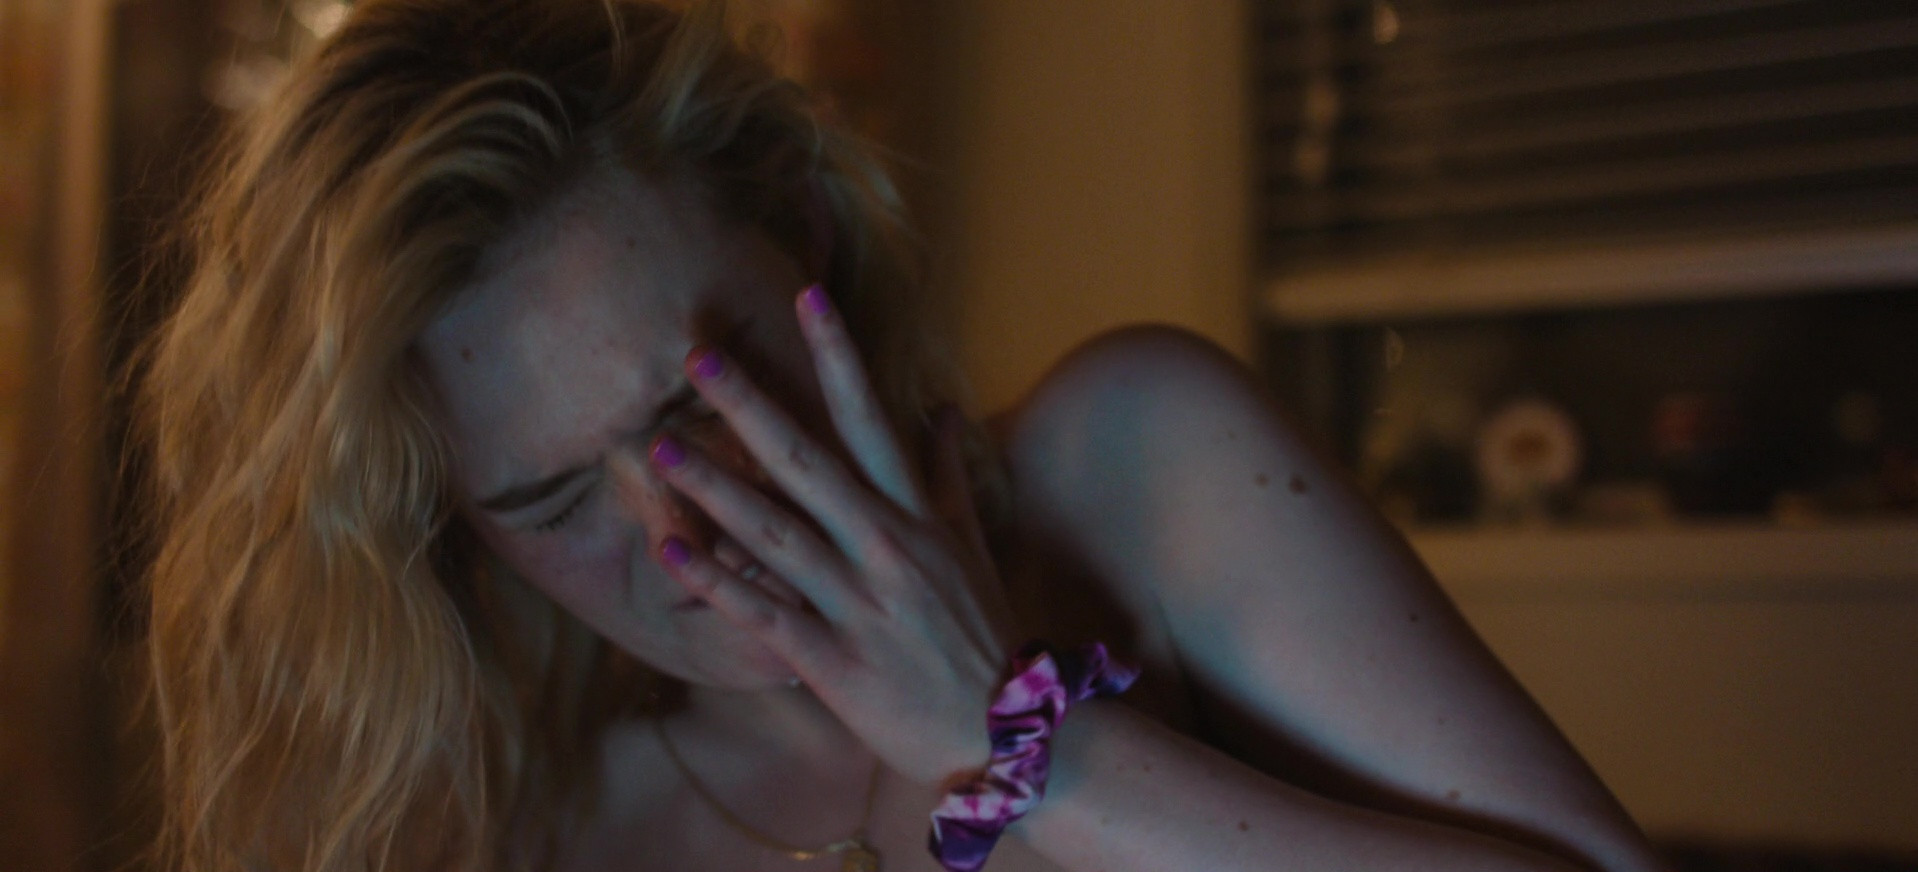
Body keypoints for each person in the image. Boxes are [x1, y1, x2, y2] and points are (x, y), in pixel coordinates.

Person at [134, 1, 1667, 871]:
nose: (681, 533)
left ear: (803, 226)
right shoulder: (528, 826)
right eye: (547, 501)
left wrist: (1019, 746)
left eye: (700, 399)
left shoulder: (1128, 464)